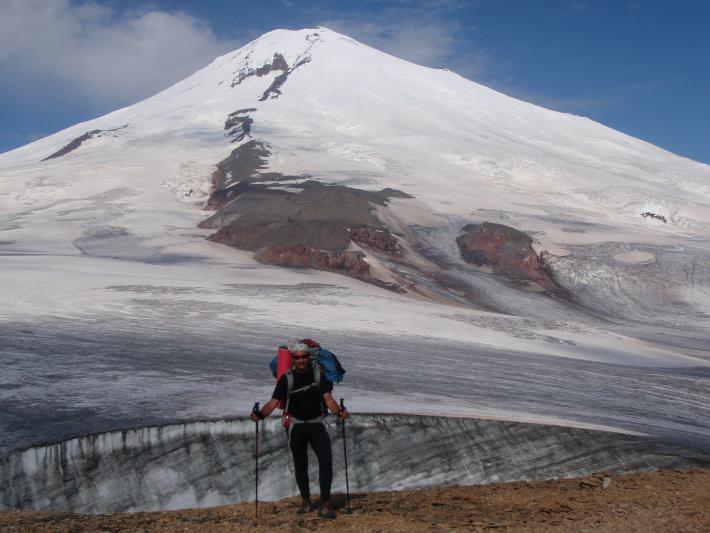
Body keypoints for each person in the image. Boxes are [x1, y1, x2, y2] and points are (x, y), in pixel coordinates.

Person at [251, 342, 349, 519]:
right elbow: (273, 402)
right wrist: (260, 415)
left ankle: (325, 502)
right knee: (300, 465)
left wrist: (339, 411)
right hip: (296, 426)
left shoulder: (320, 376)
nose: (301, 360)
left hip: (316, 424)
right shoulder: (286, 379)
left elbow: (328, 400)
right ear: (293, 359)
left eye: (303, 357)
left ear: (308, 357)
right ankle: (306, 500)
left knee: (326, 461)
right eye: (297, 357)